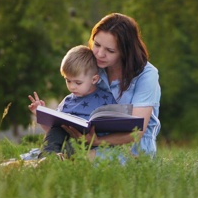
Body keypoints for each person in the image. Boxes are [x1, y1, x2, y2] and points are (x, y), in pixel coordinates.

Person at [32, 13, 161, 159]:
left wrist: (98, 141)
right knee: (52, 155)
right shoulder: (94, 67)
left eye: (110, 50)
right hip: (85, 142)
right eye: (97, 45)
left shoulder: (146, 75)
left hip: (130, 149)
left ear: (125, 52)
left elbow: (137, 131)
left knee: (81, 158)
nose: (99, 54)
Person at [28, 45, 116, 157]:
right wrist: (40, 114)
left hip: (94, 145)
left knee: (73, 147)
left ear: (94, 79)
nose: (72, 87)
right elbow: (53, 131)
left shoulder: (107, 98)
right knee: (58, 131)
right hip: (69, 143)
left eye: (78, 83)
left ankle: (61, 158)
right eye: (68, 81)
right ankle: (47, 157)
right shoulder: (67, 101)